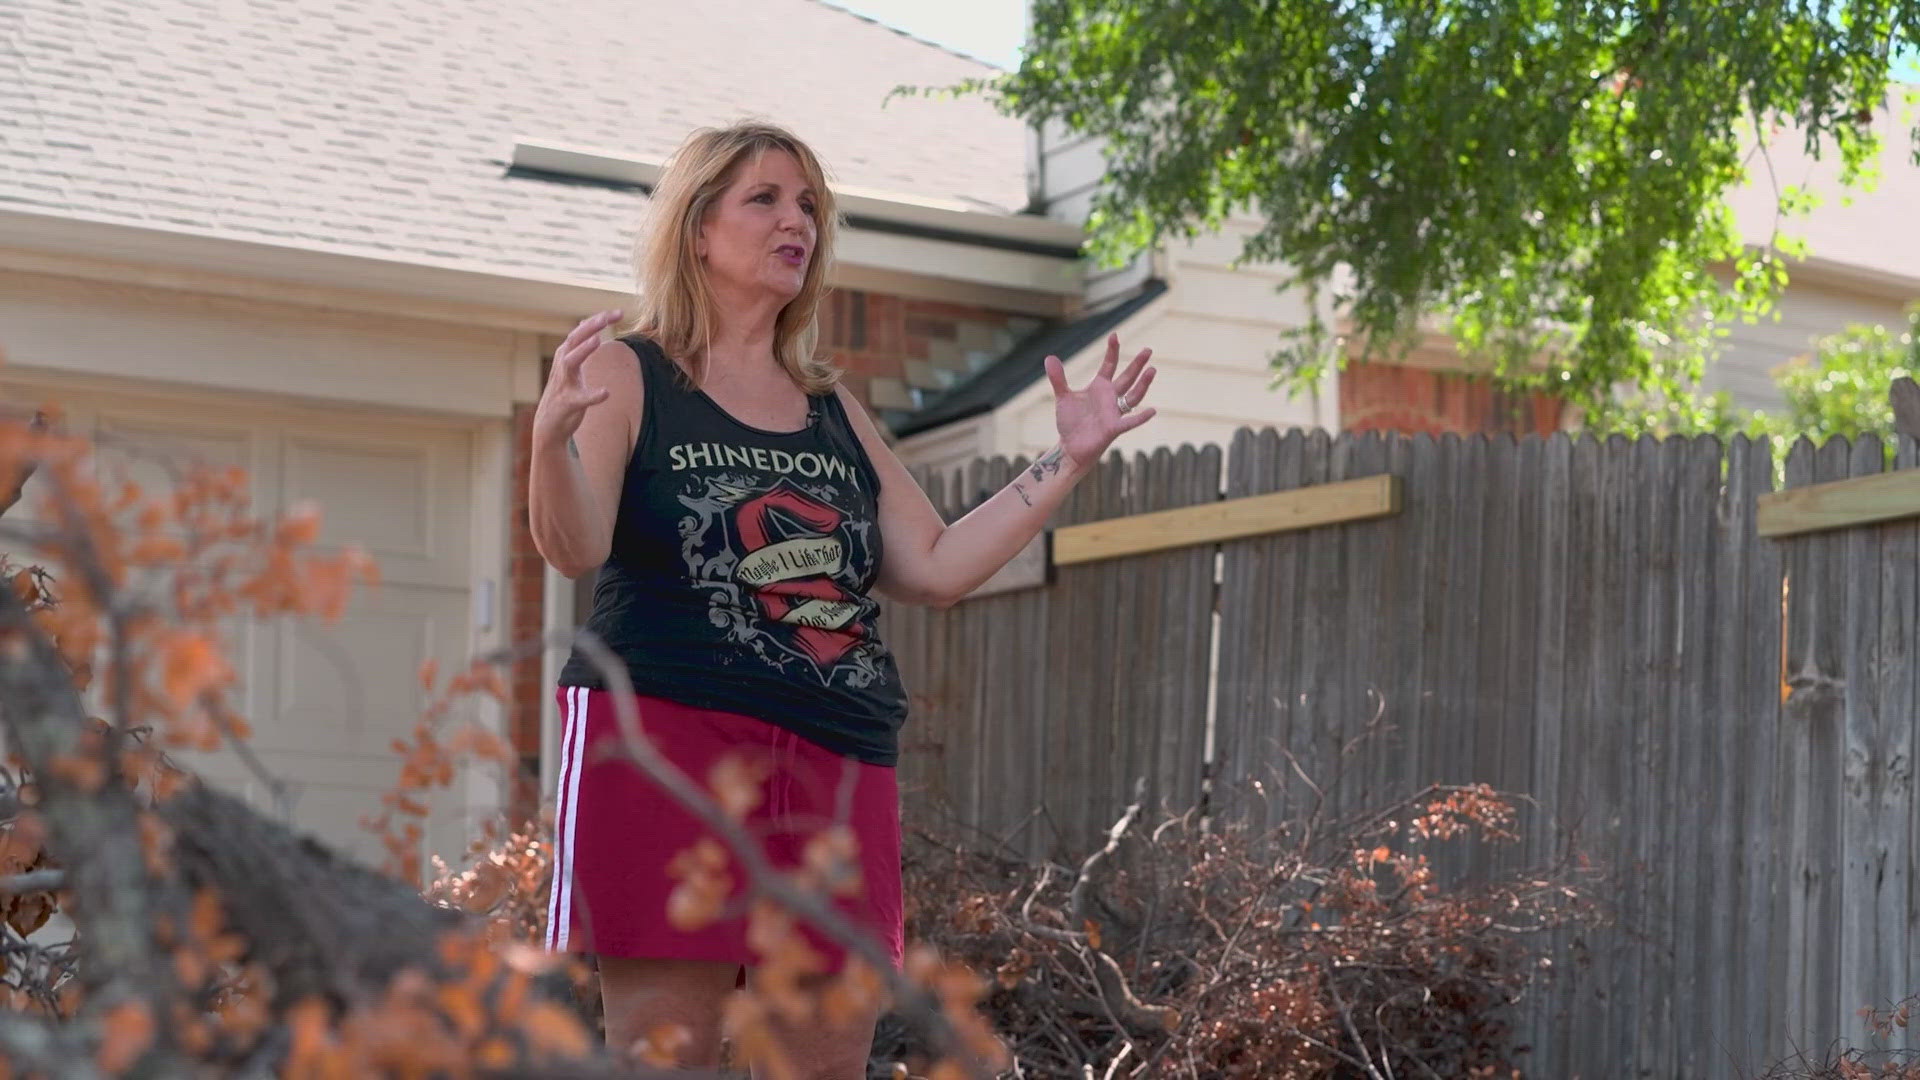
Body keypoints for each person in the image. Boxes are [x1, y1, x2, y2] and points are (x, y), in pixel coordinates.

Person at [526, 120, 1159, 1078]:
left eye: (811, 206)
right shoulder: (629, 371)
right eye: (766, 200)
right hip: (663, 738)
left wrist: (1065, 460)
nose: (798, 222)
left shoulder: (831, 410)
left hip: (833, 758)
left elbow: (938, 565)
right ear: (697, 228)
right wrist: (547, 447)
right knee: (670, 1056)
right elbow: (575, 545)